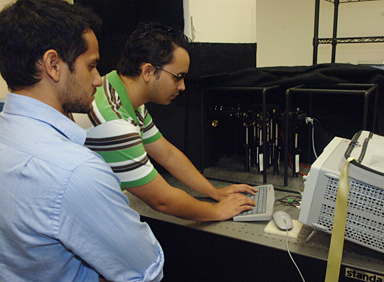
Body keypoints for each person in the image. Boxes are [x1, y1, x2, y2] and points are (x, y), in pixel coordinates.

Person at [0, 1, 164, 281]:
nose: (98, 80)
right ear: (53, 65)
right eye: (91, 66)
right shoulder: (75, 173)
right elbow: (145, 270)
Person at [72, 22, 257, 222]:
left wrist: (216, 193)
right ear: (148, 71)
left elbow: (168, 155)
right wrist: (217, 211)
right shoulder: (114, 122)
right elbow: (162, 200)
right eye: (178, 77)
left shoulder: (121, 94)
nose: (182, 86)